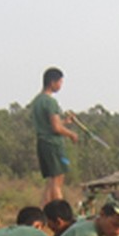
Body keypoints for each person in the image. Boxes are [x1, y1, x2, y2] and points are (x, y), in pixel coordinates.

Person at [31, 67, 79, 206]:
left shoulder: (37, 101)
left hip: (42, 142)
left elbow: (50, 124)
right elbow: (56, 128)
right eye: (60, 82)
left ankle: (42, 211)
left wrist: (65, 122)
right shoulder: (50, 102)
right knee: (58, 180)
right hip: (53, 144)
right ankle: (61, 212)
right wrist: (71, 134)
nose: (60, 85)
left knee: (51, 180)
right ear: (52, 82)